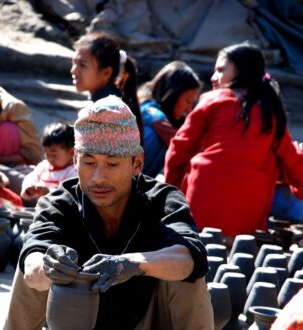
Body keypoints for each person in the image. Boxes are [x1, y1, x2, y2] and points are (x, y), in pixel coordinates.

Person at [2, 95, 216, 330]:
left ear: (137, 163)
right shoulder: (59, 204)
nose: (99, 177)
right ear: (75, 159)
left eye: (112, 164)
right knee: (30, 268)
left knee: (188, 278)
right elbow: (34, 261)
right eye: (89, 163)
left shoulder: (162, 200)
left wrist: (133, 263)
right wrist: (47, 266)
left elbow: (190, 257)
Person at [164, 43, 303, 238]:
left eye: (220, 70)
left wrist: (171, 192)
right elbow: (291, 159)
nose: (213, 77)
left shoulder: (212, 100)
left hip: (200, 206)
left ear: (241, 71)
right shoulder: (270, 111)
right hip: (247, 217)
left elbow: (179, 148)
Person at [70, 31, 143, 142]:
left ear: (106, 73)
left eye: (82, 65)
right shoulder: (106, 104)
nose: (73, 70)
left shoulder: (107, 113)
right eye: (74, 62)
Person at [139, 61, 201, 178]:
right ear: (172, 94)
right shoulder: (148, 110)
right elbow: (164, 128)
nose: (188, 110)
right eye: (187, 101)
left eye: (191, 103)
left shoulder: (169, 121)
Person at [21, 121, 76, 203]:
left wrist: (49, 192)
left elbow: (68, 195)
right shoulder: (44, 166)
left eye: (54, 155)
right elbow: (31, 177)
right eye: (47, 153)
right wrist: (29, 188)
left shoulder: (72, 171)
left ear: (71, 152)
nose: (49, 158)